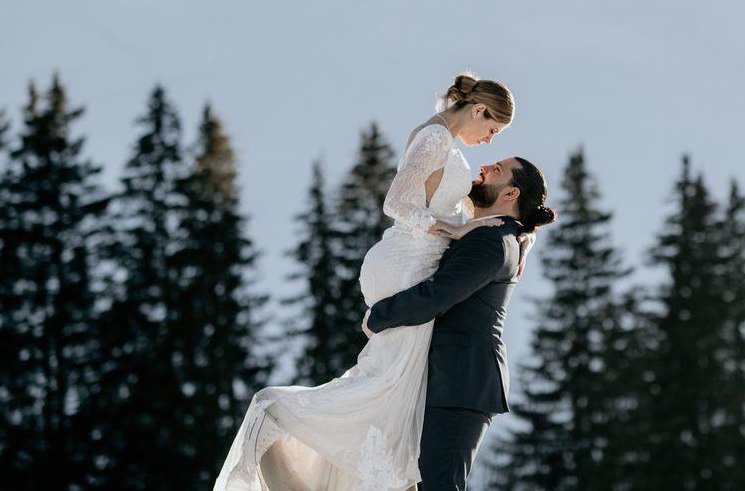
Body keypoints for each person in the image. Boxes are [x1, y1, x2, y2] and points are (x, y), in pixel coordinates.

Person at [214, 73, 521, 491]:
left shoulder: (442, 139)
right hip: (408, 264)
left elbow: (461, 207)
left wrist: (523, 232)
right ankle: (306, 433)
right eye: (492, 129)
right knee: (391, 387)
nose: (488, 141)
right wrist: (450, 231)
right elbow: (395, 202)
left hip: (410, 261)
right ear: (480, 110)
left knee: (397, 388)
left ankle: (391, 477)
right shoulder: (434, 138)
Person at [364, 155, 556, 491]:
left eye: (496, 169)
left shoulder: (491, 239)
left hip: (460, 380)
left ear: (510, 194)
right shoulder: (495, 235)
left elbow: (439, 294)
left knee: (439, 485)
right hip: (450, 378)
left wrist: (378, 316)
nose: (484, 168)